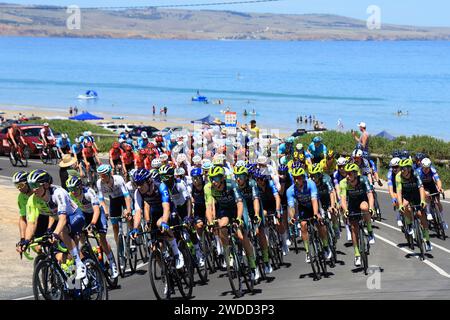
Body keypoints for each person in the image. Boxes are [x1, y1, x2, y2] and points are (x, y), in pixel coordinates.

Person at [20, 170, 87, 280]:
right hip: (60, 221)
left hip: (74, 216)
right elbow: (31, 223)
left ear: (46, 185)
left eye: (36, 185)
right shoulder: (33, 200)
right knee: (60, 254)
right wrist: (26, 240)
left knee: (61, 232)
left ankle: (80, 265)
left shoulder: (58, 193)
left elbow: (63, 218)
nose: (33, 189)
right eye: (31, 185)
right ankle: (72, 282)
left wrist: (55, 233)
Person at [205, 166, 258, 281]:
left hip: (237, 208)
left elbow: (239, 204)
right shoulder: (210, 188)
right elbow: (209, 207)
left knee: (241, 235)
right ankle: (228, 251)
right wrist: (210, 222)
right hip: (224, 210)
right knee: (221, 226)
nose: (214, 182)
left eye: (217, 179)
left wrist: (239, 218)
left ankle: (252, 264)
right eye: (212, 179)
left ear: (223, 178)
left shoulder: (232, 185)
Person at [130, 169, 184, 270]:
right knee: (153, 247)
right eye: (136, 184)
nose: (139, 186)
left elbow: (166, 207)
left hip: (168, 210)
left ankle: (177, 253)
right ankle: (165, 273)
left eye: (141, 183)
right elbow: (138, 212)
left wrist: (164, 222)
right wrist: (135, 228)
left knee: (160, 224)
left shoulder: (160, 186)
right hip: (155, 212)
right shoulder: (138, 192)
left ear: (149, 181)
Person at [66, 175, 119, 278]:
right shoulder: (70, 196)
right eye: (70, 189)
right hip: (84, 215)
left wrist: (93, 223)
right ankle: (89, 252)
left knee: (101, 238)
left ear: (80, 187)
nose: (73, 192)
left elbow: (96, 210)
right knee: (80, 234)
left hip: (97, 215)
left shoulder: (89, 192)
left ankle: (112, 263)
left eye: (75, 189)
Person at [286, 167, 332, 264]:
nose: (296, 180)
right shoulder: (290, 190)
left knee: (320, 223)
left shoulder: (311, 184)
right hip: (303, 207)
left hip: (314, 205)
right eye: (294, 178)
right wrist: (292, 217)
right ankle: (307, 251)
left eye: (298, 178)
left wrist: (316, 214)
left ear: (303, 178)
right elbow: (291, 206)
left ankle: (325, 246)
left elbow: (314, 199)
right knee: (303, 225)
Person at [339, 163, 376, 267]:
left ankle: (370, 231)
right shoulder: (343, 183)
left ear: (355, 174)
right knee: (353, 228)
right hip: (352, 205)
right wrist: (345, 210)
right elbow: (342, 199)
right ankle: (357, 254)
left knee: (365, 207)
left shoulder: (363, 180)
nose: (347, 176)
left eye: (349, 173)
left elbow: (370, 195)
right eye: (346, 173)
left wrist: (371, 207)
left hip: (362, 201)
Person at [396, 158, 431, 251]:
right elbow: (399, 192)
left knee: (421, 215)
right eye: (401, 168)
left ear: (409, 168)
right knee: (404, 206)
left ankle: (427, 240)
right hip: (406, 195)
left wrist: (423, 200)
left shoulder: (416, 174)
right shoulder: (398, 176)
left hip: (416, 195)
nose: (402, 170)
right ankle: (409, 224)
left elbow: (421, 187)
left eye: (404, 168)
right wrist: (400, 205)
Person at [96, 165, 132, 246]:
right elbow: (101, 200)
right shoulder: (99, 183)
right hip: (114, 200)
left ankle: (133, 234)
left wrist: (128, 210)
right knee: (115, 226)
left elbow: (127, 196)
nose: (101, 177)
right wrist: (105, 211)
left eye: (103, 175)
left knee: (129, 217)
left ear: (109, 174)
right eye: (100, 175)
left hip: (123, 198)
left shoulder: (118, 179)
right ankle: (120, 248)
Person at [417, 158, 447, 229]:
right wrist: (424, 192)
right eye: (425, 168)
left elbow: (438, 180)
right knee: (426, 195)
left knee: (437, 201)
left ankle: (442, 220)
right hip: (422, 185)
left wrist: (440, 188)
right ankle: (428, 212)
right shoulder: (418, 172)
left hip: (431, 184)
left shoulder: (432, 170)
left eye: (428, 168)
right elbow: (419, 185)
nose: (426, 169)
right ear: (422, 166)